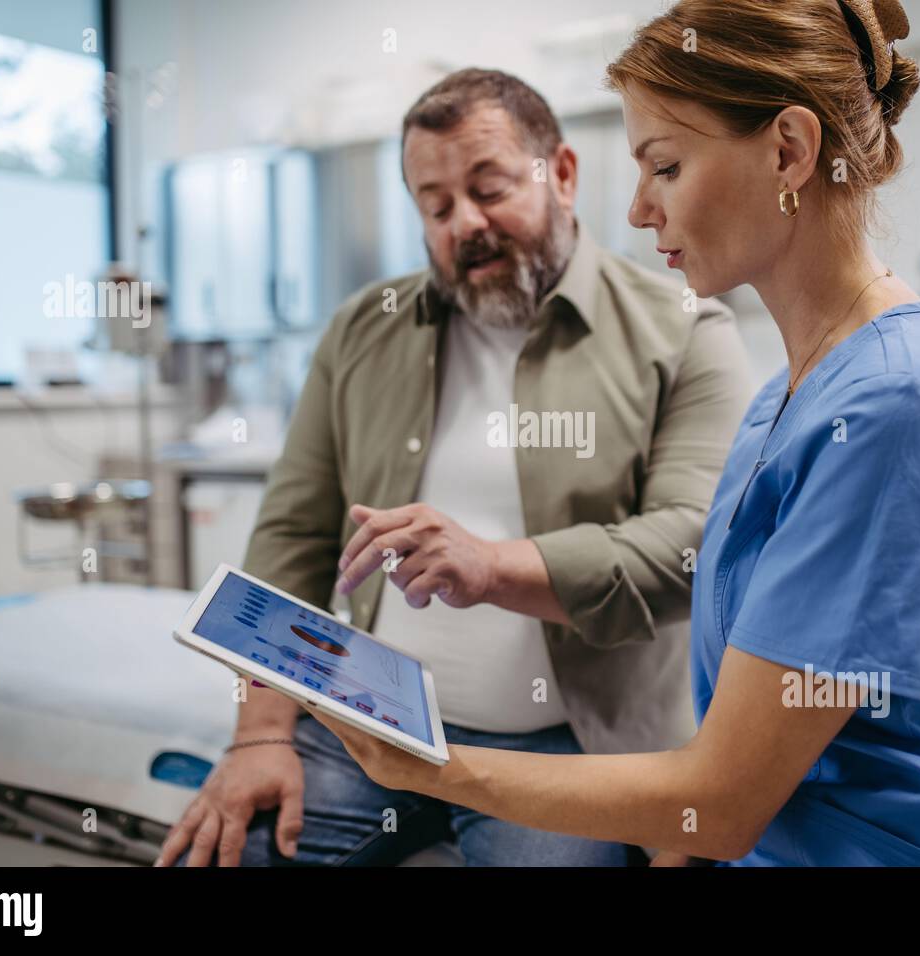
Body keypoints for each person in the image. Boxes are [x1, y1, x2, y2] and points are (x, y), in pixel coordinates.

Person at [303, 0, 920, 866]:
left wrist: (432, 768)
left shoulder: (899, 404)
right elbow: (737, 733)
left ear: (788, 150)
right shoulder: (787, 398)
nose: (638, 211)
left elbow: (718, 801)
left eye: (665, 167)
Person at [157, 68, 753, 867]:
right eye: (436, 207)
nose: (464, 223)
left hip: (567, 750)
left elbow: (691, 546)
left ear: (563, 175)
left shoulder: (685, 331)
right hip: (365, 729)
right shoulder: (364, 331)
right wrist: (261, 733)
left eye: (490, 188)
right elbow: (292, 536)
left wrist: (491, 564)